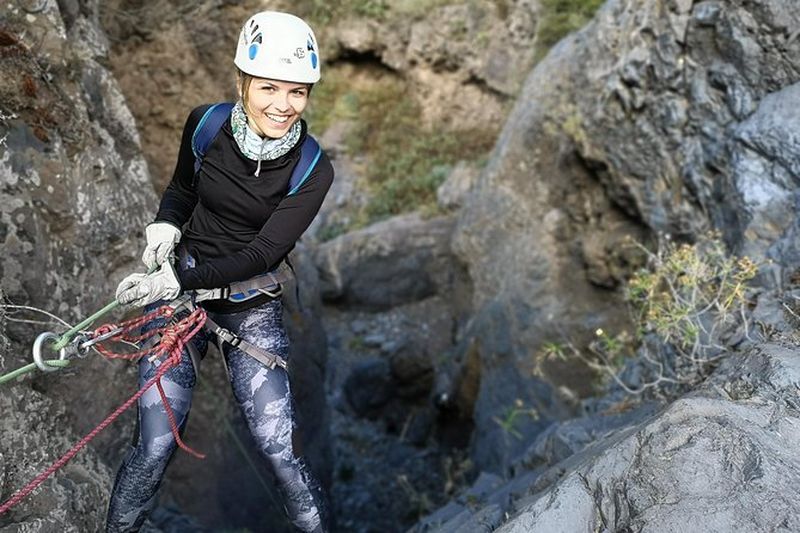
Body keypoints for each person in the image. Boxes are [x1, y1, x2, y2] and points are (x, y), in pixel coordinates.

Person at [105, 11, 333, 533]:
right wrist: (164, 226)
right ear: (242, 82)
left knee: (281, 454)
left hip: (249, 304)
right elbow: (183, 190)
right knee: (155, 446)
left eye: (298, 92)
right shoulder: (206, 125)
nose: (283, 105)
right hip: (182, 294)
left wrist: (174, 282)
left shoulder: (313, 169)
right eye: (269, 87)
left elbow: (262, 254)